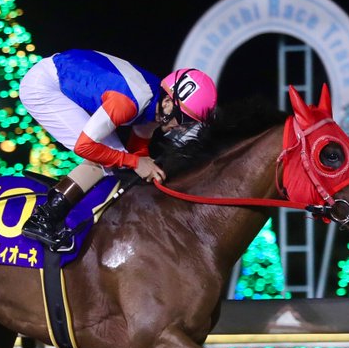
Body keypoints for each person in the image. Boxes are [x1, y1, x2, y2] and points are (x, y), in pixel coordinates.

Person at [17, 48, 217, 252]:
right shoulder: (128, 102)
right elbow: (85, 147)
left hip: (66, 76)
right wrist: (136, 163)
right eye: (184, 120)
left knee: (115, 160)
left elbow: (137, 147)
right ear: (167, 103)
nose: (182, 128)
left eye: (190, 123)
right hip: (43, 86)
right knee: (105, 159)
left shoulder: (158, 102)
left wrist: (143, 164)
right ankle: (42, 219)